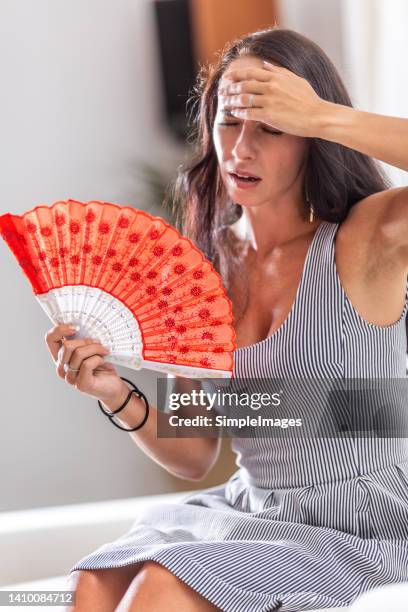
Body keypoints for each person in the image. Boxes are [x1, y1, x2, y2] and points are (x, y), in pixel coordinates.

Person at [46, 27, 408, 612]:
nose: (241, 150)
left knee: (157, 592)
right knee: (93, 584)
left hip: (364, 525)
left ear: (310, 137)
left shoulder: (363, 242)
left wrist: (323, 115)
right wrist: (115, 392)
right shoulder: (199, 267)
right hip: (253, 509)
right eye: (230, 121)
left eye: (272, 127)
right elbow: (195, 453)